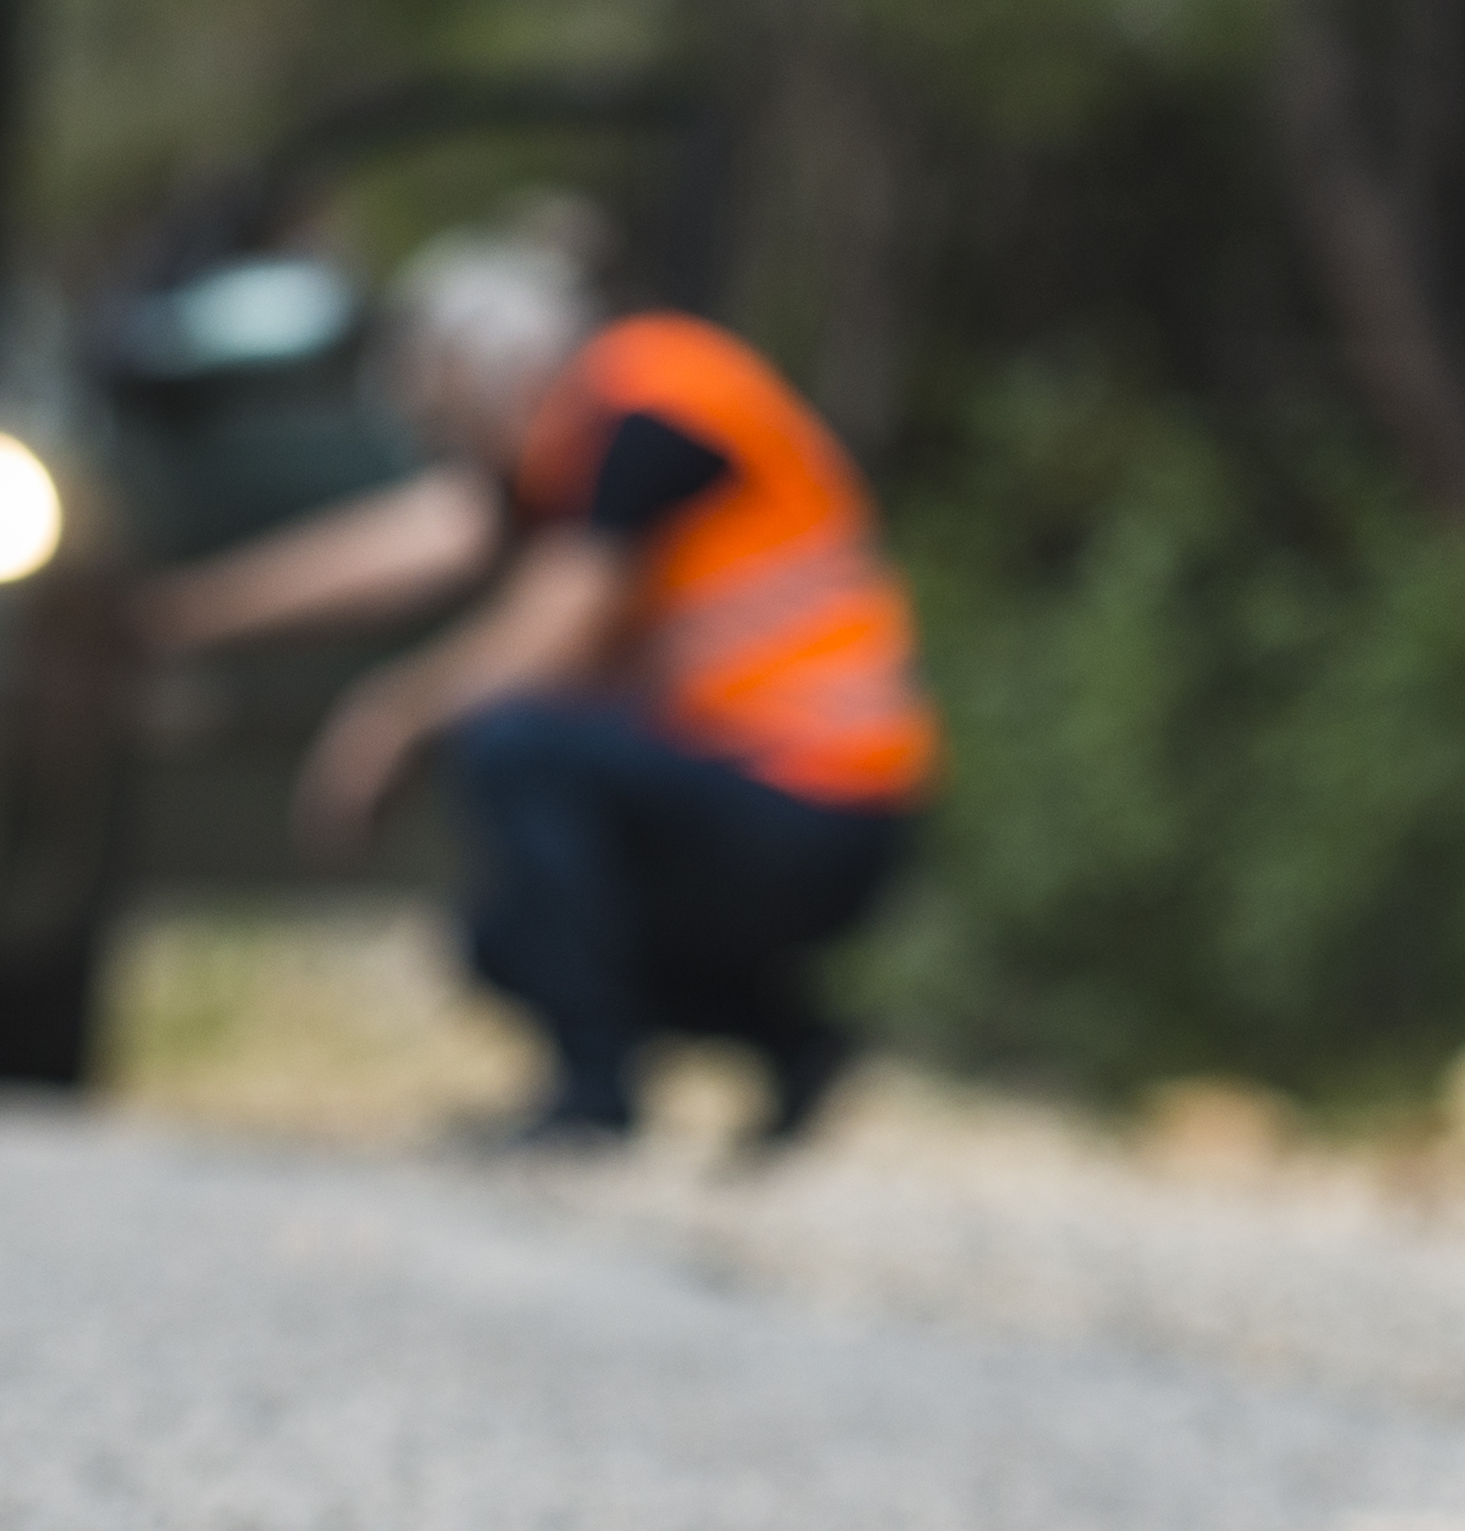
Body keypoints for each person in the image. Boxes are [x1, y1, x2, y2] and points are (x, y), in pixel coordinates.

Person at [140, 212, 936, 1152]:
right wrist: (175, 617)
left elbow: (546, 640)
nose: (444, 446)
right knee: (505, 941)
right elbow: (409, 543)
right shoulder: (581, 427)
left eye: (446, 421)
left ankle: (593, 1099)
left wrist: (394, 714)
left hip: (814, 799)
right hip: (763, 794)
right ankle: (794, 1041)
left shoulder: (651, 402)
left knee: (515, 741)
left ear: (499, 379)